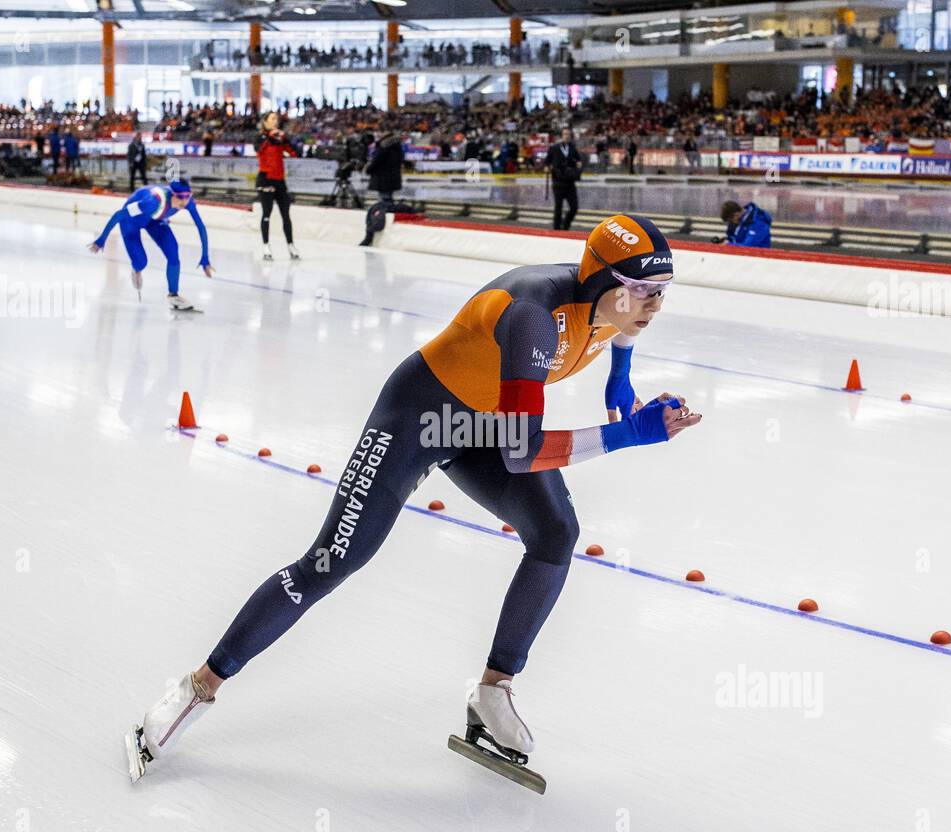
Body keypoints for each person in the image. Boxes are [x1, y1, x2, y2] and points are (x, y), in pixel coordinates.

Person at [126, 215, 701, 782]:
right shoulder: (533, 316)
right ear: (605, 284)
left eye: (662, 292)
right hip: (419, 418)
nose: (655, 306)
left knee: (555, 535)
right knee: (331, 563)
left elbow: (617, 330)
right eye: (645, 293)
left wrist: (619, 378)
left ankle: (492, 694)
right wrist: (630, 434)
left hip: (483, 424)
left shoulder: (613, 305)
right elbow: (523, 452)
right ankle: (198, 686)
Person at [88, 179, 214, 312]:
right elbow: (119, 215)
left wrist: (205, 257)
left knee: (173, 251)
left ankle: (173, 295)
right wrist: (102, 239)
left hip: (154, 220)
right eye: (180, 197)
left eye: (187, 196)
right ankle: (136, 269)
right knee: (141, 262)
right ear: (172, 194)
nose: (183, 202)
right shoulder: (153, 201)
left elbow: (201, 227)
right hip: (131, 222)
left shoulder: (188, 202)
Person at [254, 111, 300, 261]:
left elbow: (294, 152)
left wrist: (287, 140)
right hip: (266, 179)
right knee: (267, 213)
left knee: (286, 214)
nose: (276, 121)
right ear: (265, 122)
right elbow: (258, 149)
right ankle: (266, 246)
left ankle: (291, 245)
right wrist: (270, 137)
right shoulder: (260, 137)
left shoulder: (280, 137)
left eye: (277, 119)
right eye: (272, 118)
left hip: (279, 180)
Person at [546, 126, 583, 231]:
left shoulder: (572, 148)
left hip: (570, 182)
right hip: (558, 182)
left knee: (574, 208)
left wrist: (578, 165)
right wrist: (547, 167)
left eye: (568, 134)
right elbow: (547, 162)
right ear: (561, 136)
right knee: (558, 208)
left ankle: (566, 225)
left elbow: (579, 161)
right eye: (565, 134)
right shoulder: (554, 148)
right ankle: (556, 228)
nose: (567, 136)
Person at [365, 130, 404, 204]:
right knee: (388, 197)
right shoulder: (397, 147)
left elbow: (376, 162)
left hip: (383, 179)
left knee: (383, 200)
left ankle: (384, 212)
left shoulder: (384, 147)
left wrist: (368, 170)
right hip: (392, 178)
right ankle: (389, 211)